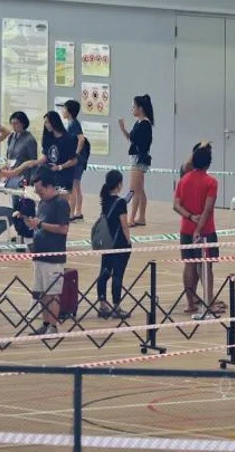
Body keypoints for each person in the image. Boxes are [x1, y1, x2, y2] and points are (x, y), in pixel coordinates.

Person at [173, 143, 222, 316]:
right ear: (208, 164)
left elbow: (176, 205)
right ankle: (208, 303)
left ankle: (190, 303)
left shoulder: (183, 180)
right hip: (205, 231)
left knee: (189, 264)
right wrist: (199, 229)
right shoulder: (211, 182)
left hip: (186, 229)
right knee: (206, 267)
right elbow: (207, 210)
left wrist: (189, 217)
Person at [27, 167, 71, 336]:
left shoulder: (61, 203)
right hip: (40, 254)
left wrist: (40, 225)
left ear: (50, 186)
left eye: (41, 191)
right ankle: (45, 323)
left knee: (52, 293)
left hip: (53, 256)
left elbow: (63, 229)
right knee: (42, 293)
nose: (39, 195)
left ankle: (53, 326)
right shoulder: (42, 203)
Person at [4, 111, 78, 193]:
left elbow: (74, 160)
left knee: (61, 199)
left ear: (55, 122)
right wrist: (34, 162)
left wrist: (59, 167)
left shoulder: (68, 139)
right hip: (50, 175)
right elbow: (46, 157)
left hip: (64, 176)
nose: (46, 125)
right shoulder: (48, 138)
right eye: (45, 122)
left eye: (48, 122)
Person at [96, 170, 132, 319]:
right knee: (118, 275)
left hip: (107, 242)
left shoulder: (104, 200)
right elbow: (124, 224)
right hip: (119, 243)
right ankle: (117, 306)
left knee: (104, 273)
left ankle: (102, 304)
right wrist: (129, 241)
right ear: (119, 184)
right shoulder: (120, 202)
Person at [119, 94, 154, 227]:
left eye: (134, 107)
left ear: (140, 108)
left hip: (139, 159)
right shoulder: (139, 123)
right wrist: (123, 129)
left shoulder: (144, 124)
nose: (132, 109)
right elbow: (131, 138)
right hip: (136, 157)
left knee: (133, 190)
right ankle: (141, 217)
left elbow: (141, 142)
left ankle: (131, 218)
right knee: (140, 189)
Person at [61, 99, 90, 221]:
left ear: (69, 111)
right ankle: (78, 212)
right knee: (77, 185)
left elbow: (81, 139)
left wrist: (76, 154)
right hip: (79, 160)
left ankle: (71, 214)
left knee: (73, 186)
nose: (62, 111)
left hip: (77, 160)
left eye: (64, 108)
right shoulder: (72, 123)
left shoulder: (73, 124)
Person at [5, 111, 38, 189]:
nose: (13, 126)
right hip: (11, 174)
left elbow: (33, 162)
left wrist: (32, 181)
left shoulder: (30, 139)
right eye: (12, 123)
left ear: (23, 123)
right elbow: (9, 156)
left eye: (16, 123)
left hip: (23, 177)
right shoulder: (11, 137)